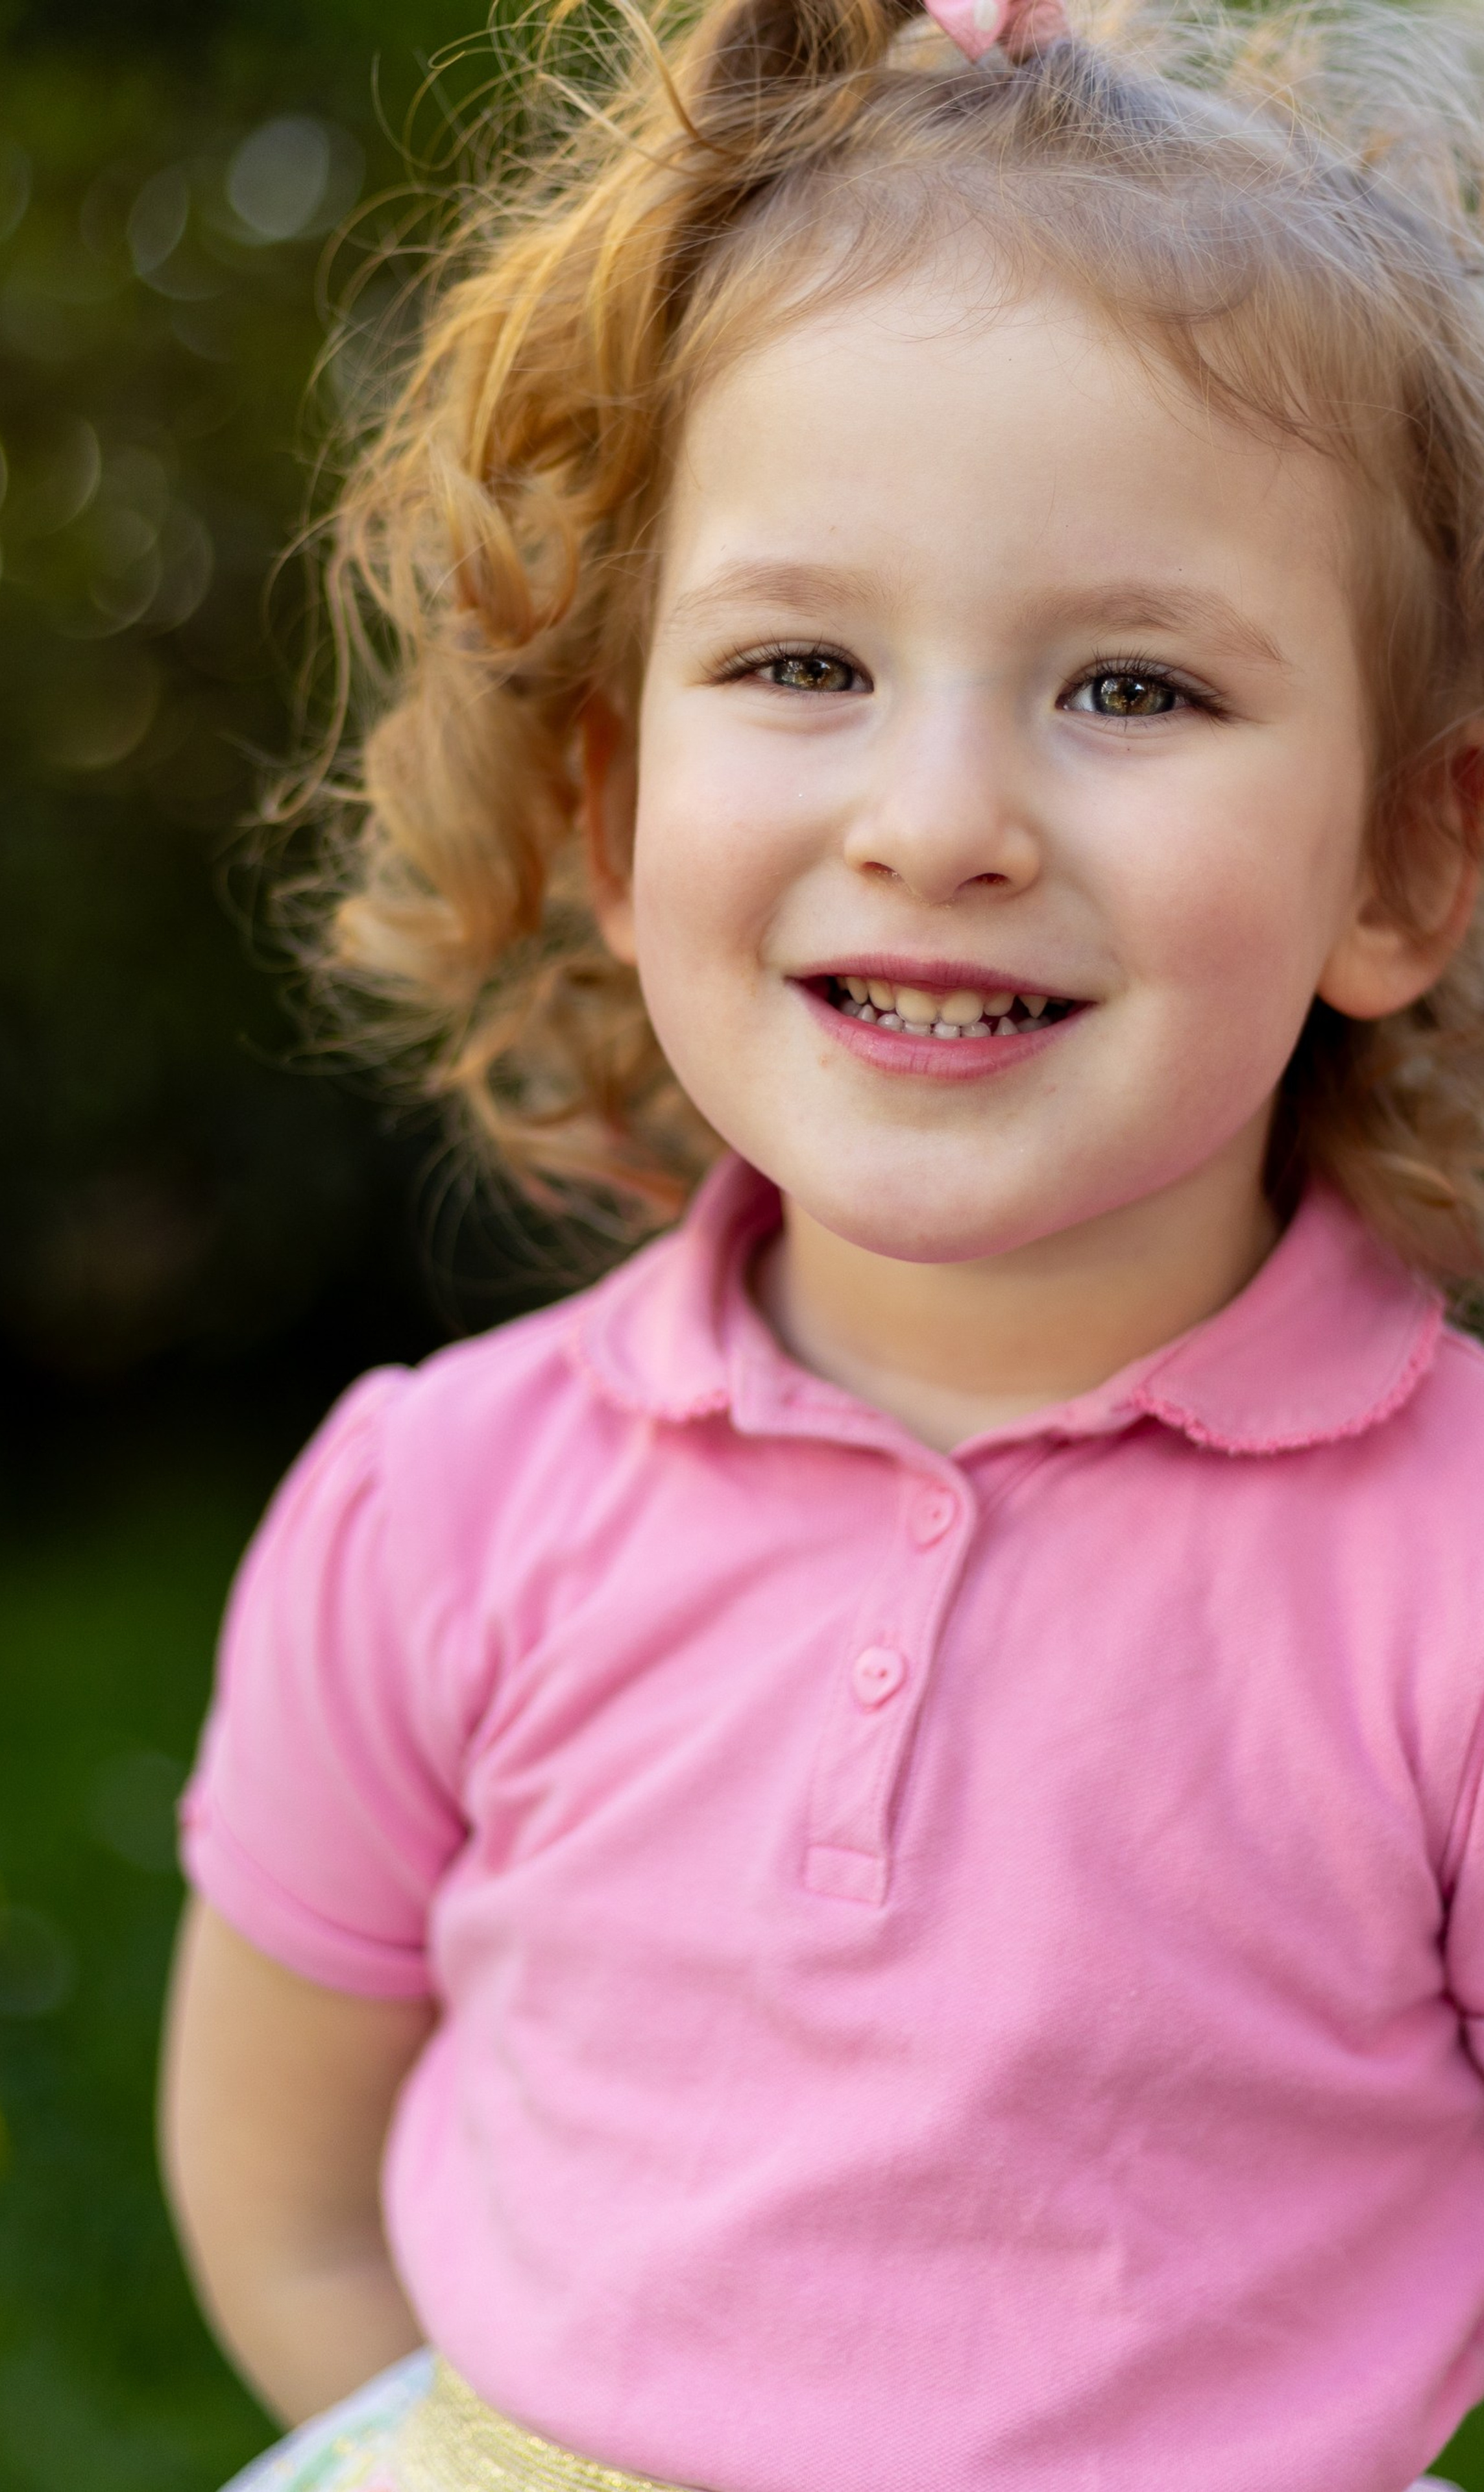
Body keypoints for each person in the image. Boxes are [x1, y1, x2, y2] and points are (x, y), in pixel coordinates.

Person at [158, 0, 1484, 2482]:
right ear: (618, 788)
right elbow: (280, 2172)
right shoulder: (441, 1507)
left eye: (1129, 681)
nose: (942, 812)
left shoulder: (1456, 1584)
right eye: (803, 664)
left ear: (1404, 857)